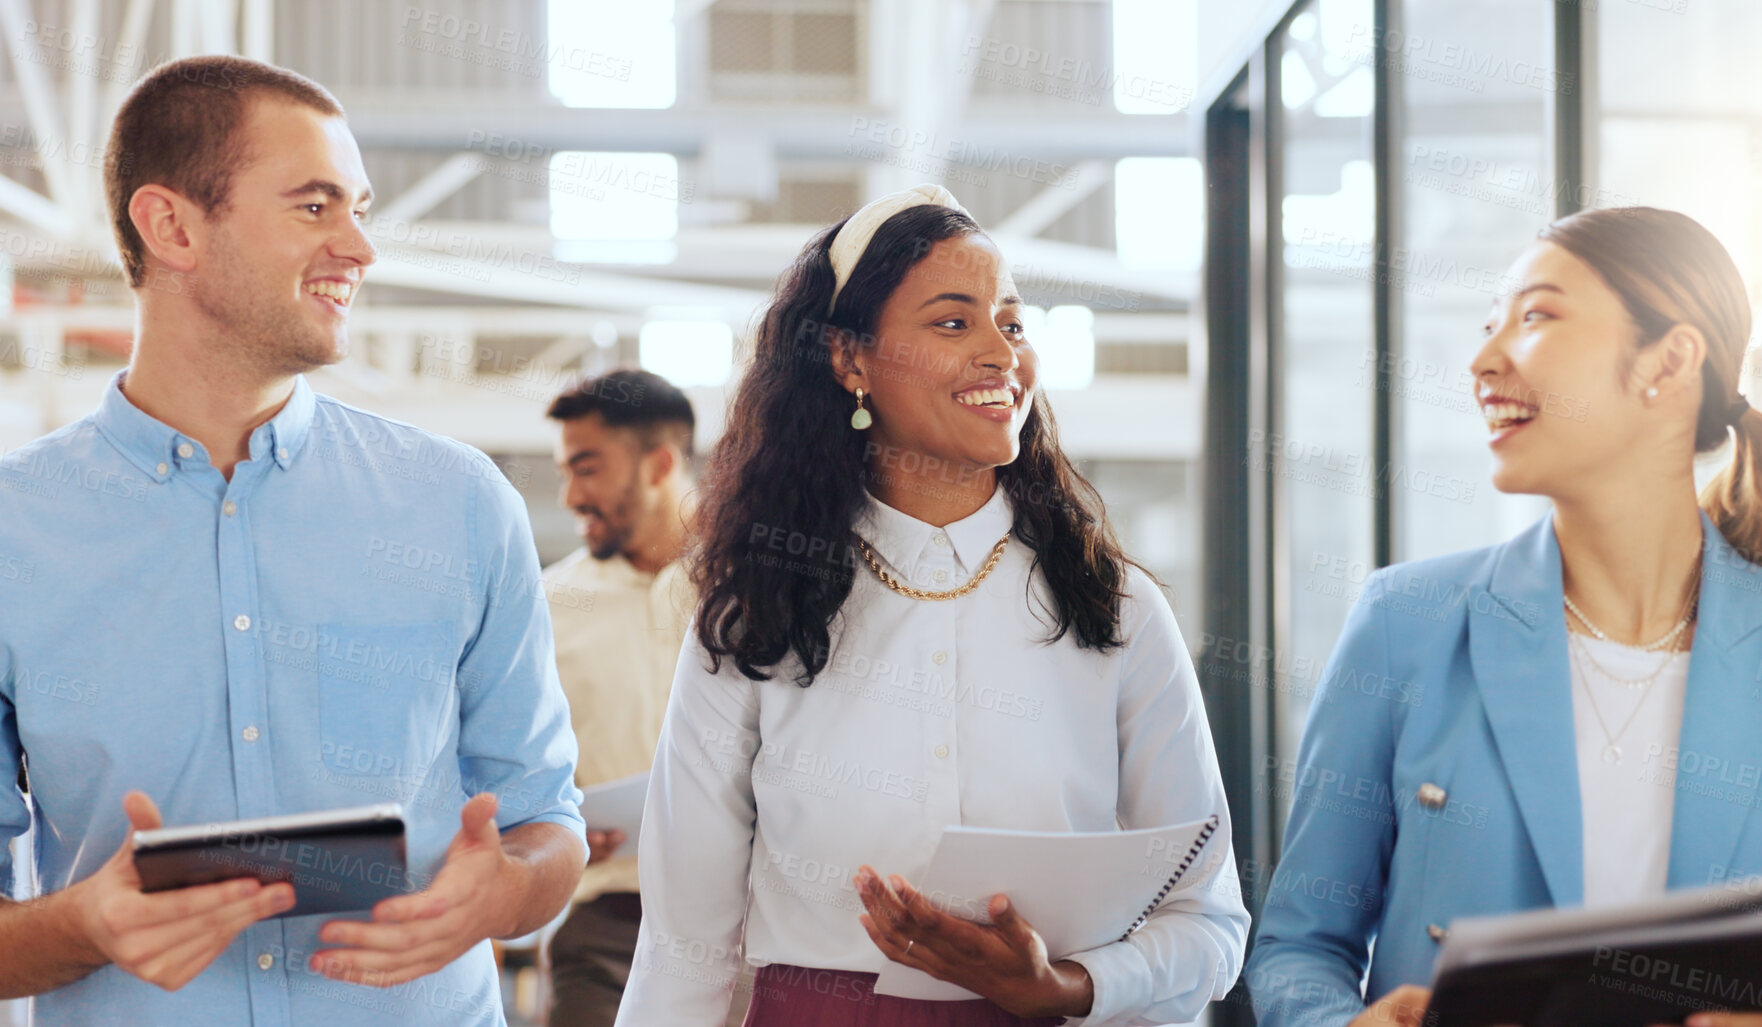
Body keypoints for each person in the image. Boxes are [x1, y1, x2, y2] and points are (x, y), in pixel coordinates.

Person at [0, 56, 588, 1024]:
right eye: (316, 207)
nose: (359, 245)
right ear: (172, 226)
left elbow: (545, 821)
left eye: (357, 207)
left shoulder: (461, 503)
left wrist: (504, 891)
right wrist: (83, 924)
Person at [1246, 207, 1762, 1027]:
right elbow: (1297, 949)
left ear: (1667, 361)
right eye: (1491, 326)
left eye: (1535, 316)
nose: (1482, 361)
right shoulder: (1402, 622)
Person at [613, 185, 1248, 1026]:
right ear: (849, 359)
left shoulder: (1114, 606)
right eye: (954, 323)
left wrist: (1068, 987)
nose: (1001, 353)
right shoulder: (753, 611)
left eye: (1013, 324)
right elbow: (683, 942)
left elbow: (1209, 921)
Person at [540, 369, 706, 1026]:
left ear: (660, 464)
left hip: (755, 914)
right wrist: (554, 824)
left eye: (587, 468)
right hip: (609, 922)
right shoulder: (544, 606)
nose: (570, 495)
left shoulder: (760, 583)